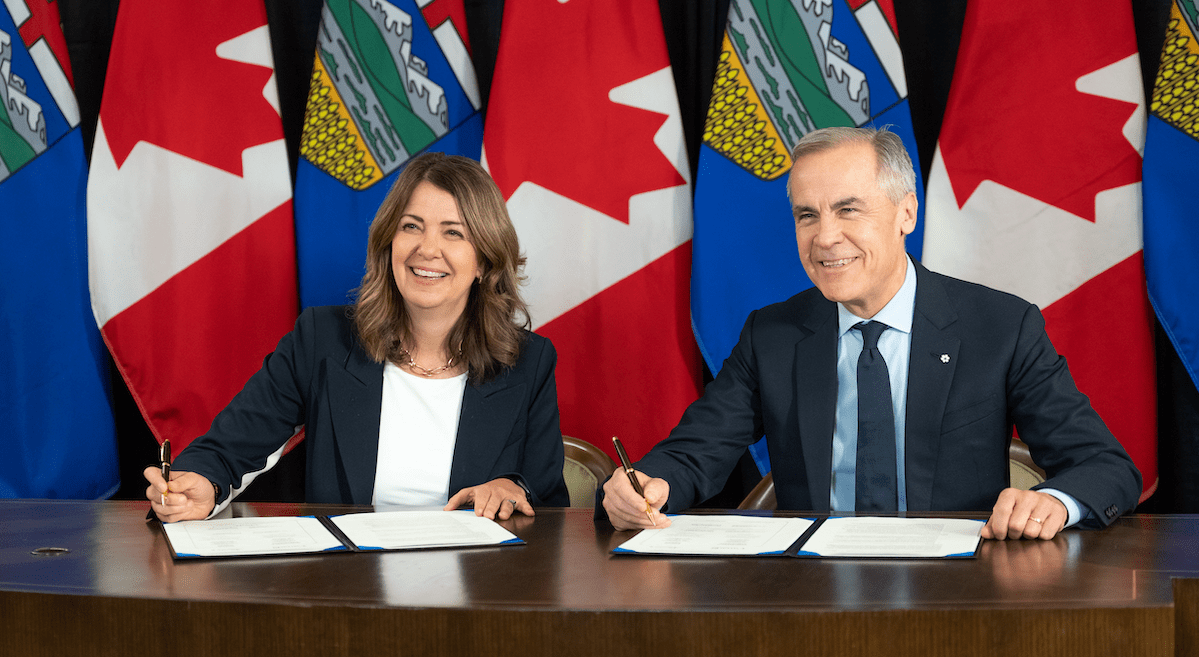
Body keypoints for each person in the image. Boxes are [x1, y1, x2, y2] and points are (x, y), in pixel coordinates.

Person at [602, 127, 1141, 540]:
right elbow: (695, 452)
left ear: (906, 212)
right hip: (813, 599)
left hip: (960, 597)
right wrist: (647, 486)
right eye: (806, 215)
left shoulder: (1000, 327)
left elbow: (1104, 466)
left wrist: (1056, 502)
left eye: (847, 210)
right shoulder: (773, 335)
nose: (824, 237)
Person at [145, 153, 570, 522]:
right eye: (411, 226)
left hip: (477, 597)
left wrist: (514, 489)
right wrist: (201, 483)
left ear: (484, 261)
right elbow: (228, 447)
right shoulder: (322, 340)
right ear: (388, 243)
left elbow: (544, 492)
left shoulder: (529, 363)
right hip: (348, 592)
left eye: (453, 232)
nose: (427, 248)